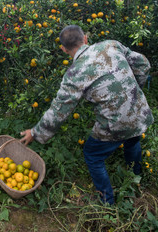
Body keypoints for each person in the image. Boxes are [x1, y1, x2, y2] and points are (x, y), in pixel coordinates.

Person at [20, 25, 154, 205]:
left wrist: (35, 133)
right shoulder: (111, 45)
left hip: (115, 124)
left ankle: (107, 202)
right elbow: (143, 63)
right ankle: (135, 178)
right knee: (133, 140)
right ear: (85, 39)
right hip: (139, 111)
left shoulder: (74, 74)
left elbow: (59, 111)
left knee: (92, 154)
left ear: (63, 49)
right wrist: (134, 88)